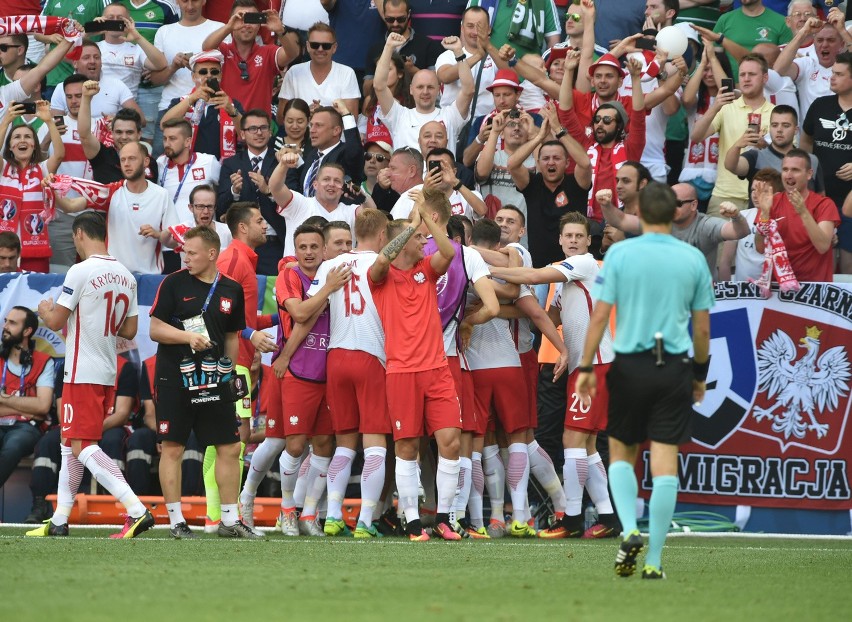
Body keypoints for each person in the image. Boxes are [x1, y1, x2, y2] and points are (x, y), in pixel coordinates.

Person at [575, 181, 713, 580]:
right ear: (672, 214)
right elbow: (702, 329)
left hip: (630, 364)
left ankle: (629, 530)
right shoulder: (692, 259)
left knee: (621, 452)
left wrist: (586, 367)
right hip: (673, 365)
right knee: (666, 458)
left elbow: (599, 316)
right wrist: (700, 374)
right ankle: (653, 560)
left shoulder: (619, 254)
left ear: (639, 215)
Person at [490, 211, 621, 538]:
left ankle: (573, 519)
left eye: (580, 236)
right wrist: (563, 350)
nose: (574, 241)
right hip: (585, 365)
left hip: (597, 366)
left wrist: (486, 269)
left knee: (572, 440)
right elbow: (546, 317)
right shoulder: (566, 278)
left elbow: (533, 278)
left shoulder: (585, 264)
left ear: (588, 242)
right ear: (561, 240)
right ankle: (607, 517)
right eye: (569, 236)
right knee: (587, 445)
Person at [26, 211, 155, 539]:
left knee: (82, 445)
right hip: (107, 369)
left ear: (79, 234)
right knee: (70, 444)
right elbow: (129, 328)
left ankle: (136, 509)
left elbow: (55, 322)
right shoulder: (126, 275)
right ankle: (59, 520)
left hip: (81, 369)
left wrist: (44, 310)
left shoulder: (80, 270)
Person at [149, 225, 260, 539]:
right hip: (176, 378)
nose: (186, 257)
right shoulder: (173, 283)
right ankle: (176, 522)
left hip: (215, 378)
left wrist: (231, 373)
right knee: (173, 448)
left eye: (192, 253)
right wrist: (188, 337)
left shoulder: (232, 289)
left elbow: (231, 337)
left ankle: (228, 520)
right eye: (185, 252)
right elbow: (155, 330)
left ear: (212, 254)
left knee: (229, 445)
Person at [368, 189, 462, 541]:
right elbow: (382, 259)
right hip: (402, 372)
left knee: (450, 442)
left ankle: (442, 519)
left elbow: (449, 252)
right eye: (420, 238)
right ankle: (411, 522)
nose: (425, 243)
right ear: (402, 242)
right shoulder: (380, 277)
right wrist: (411, 225)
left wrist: (425, 215)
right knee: (407, 447)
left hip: (436, 370)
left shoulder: (427, 269)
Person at [201, 202, 277, 530]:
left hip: (237, 359)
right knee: (232, 435)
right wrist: (249, 333)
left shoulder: (243, 259)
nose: (266, 226)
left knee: (231, 435)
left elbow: (242, 316)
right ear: (243, 227)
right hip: (228, 361)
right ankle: (220, 516)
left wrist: (278, 317)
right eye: (260, 220)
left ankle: (218, 515)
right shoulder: (233, 258)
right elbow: (214, 309)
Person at [271, 223, 348, 537]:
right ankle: (287, 509)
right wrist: (287, 356)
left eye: (314, 247)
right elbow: (301, 315)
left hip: (331, 371)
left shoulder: (338, 274)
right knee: (294, 443)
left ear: (325, 249)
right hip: (300, 371)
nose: (308, 253)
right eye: (302, 247)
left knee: (324, 445)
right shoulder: (290, 275)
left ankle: (310, 514)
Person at [52, 140, 177, 275]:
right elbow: (69, 206)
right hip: (115, 276)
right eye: (122, 160)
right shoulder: (111, 191)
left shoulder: (161, 195)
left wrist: (158, 235)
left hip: (149, 277)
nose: (126, 163)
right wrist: (52, 189)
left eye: (132, 158)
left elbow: (174, 242)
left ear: (146, 162)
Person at [599, 182, 750, 277]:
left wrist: (737, 216)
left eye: (677, 203)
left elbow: (740, 232)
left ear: (693, 205)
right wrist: (606, 204)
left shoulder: (705, 225)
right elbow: (621, 220)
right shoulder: (660, 220)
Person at [691, 53, 775, 217]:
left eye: (752, 74)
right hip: (724, 194)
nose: (746, 79)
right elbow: (696, 136)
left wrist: (765, 147)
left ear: (765, 77)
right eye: (742, 74)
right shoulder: (726, 107)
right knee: (720, 243)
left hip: (763, 197)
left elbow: (785, 155)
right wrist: (715, 107)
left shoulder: (775, 112)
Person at [508, 105, 592, 267]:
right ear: (538, 163)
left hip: (574, 266)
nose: (551, 162)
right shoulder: (532, 184)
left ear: (567, 163)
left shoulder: (576, 183)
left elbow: (585, 162)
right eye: (546, 158)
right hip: (539, 270)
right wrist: (538, 137)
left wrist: (558, 129)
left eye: (556, 158)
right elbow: (512, 164)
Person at [148, 0, 227, 156]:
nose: (190, 6)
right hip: (171, 107)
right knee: (161, 162)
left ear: (204, 1)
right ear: (177, 1)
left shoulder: (219, 28)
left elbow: (227, 69)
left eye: (195, 0)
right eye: (184, 1)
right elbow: (155, 80)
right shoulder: (165, 31)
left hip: (210, 107)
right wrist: (173, 67)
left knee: (210, 161)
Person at [216, 109, 288, 275]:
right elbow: (220, 207)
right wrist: (234, 191)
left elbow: (294, 200)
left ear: (270, 132)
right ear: (242, 133)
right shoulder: (231, 164)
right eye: (252, 129)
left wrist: (269, 191)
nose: (258, 133)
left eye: (263, 128)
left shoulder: (281, 161)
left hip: (275, 243)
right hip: (242, 243)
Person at [752, 150, 839, 284]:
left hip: (813, 289)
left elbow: (822, 246)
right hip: (779, 287)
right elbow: (760, 248)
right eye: (785, 169)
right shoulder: (772, 202)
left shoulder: (824, 204)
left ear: (809, 174)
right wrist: (764, 214)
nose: (788, 175)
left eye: (795, 170)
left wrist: (803, 212)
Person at [374, 32, 473, 150]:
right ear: (411, 89)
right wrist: (388, 47)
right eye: (420, 87)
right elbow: (379, 86)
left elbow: (468, 90)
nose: (425, 92)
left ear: (438, 90)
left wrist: (458, 51)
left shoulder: (450, 116)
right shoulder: (399, 116)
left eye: (430, 87)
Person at [801, 52, 852, 275]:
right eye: (832, 73)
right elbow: (805, 140)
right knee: (822, 258)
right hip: (820, 196)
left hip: (850, 200)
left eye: (839, 74)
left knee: (849, 261)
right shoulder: (820, 105)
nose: (832, 78)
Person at [0, 100, 64, 272]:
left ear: (34, 145)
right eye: (17, 137)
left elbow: (59, 155)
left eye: (28, 137)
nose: (23, 140)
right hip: (3, 251)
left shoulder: (42, 169)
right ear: (10, 147)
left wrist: (49, 120)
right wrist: (6, 120)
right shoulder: (3, 168)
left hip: (35, 249)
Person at [202, 0, 296, 116]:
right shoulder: (223, 51)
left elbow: (292, 53)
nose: (246, 24)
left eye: (251, 19)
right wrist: (229, 27)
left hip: (258, 130)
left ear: (259, 25)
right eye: (240, 18)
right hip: (226, 126)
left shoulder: (268, 52)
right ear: (231, 20)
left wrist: (280, 30)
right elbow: (206, 48)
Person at [270, 155, 372, 256]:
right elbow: (276, 188)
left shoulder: (351, 212)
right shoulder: (300, 204)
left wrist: (363, 197)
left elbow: (372, 215)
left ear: (343, 188)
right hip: (296, 271)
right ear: (315, 185)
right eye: (326, 179)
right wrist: (283, 165)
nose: (331, 184)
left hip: (339, 272)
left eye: (337, 181)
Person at [0, 306, 53, 490]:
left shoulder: (43, 361)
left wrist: (4, 400)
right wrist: (26, 408)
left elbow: (43, 407)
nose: (5, 326)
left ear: (27, 331)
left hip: (26, 428)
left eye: (12, 323)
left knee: (13, 446)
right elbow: (36, 408)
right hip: (13, 421)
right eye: (6, 321)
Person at [159, 50, 244, 162]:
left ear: (221, 75)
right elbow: (164, 125)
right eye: (203, 72)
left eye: (214, 72)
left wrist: (232, 111)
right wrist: (192, 98)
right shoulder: (180, 102)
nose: (209, 75)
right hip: (188, 169)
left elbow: (245, 136)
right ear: (194, 77)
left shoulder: (232, 104)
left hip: (223, 168)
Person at [723, 104, 823, 199]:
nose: (779, 130)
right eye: (774, 125)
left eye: (786, 125)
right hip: (764, 216)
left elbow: (821, 197)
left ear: (796, 130)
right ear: (770, 128)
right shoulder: (755, 157)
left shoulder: (811, 160)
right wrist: (737, 145)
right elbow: (731, 166)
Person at [76, 80, 157, 184]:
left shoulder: (150, 162)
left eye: (129, 132)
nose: (124, 137)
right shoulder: (102, 156)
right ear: (112, 133)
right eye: (119, 132)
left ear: (139, 134)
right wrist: (86, 98)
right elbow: (84, 135)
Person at [278, 22, 361, 121]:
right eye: (315, 45)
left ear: (334, 48)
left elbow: (352, 119)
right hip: (302, 135)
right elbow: (281, 118)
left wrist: (322, 114)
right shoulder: (293, 73)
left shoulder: (347, 73)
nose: (320, 49)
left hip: (337, 136)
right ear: (308, 46)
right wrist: (305, 114)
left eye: (326, 46)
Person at [363, 0, 444, 96]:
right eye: (390, 19)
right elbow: (366, 92)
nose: (395, 24)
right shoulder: (376, 49)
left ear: (408, 14)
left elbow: (437, 85)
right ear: (384, 15)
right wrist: (385, 71)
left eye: (401, 19)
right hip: (385, 103)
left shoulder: (428, 45)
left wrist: (413, 71)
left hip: (416, 104)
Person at [49, 39, 142, 122]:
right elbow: (56, 126)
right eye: (86, 58)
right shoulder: (61, 88)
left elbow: (141, 120)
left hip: (107, 139)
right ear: (75, 63)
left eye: (96, 57)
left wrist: (117, 121)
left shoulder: (116, 85)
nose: (92, 61)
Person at [288, 101, 365, 196]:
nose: (312, 130)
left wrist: (345, 113)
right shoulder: (312, 154)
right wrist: (291, 157)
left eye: (318, 125)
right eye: (311, 125)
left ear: (336, 130)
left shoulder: (345, 154)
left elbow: (355, 150)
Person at [93, 3, 168, 100]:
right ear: (102, 20)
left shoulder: (137, 49)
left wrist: (137, 37)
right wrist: (88, 32)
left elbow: (161, 64)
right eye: (110, 17)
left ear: (128, 22)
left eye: (120, 18)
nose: (115, 21)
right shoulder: (93, 48)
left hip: (127, 111)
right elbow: (69, 55)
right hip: (97, 105)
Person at [161, 184, 233, 262]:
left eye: (209, 206)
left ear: (215, 207)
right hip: (189, 274)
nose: (206, 211)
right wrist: (170, 230)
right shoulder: (184, 229)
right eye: (200, 206)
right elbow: (165, 241)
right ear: (191, 208)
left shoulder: (227, 231)